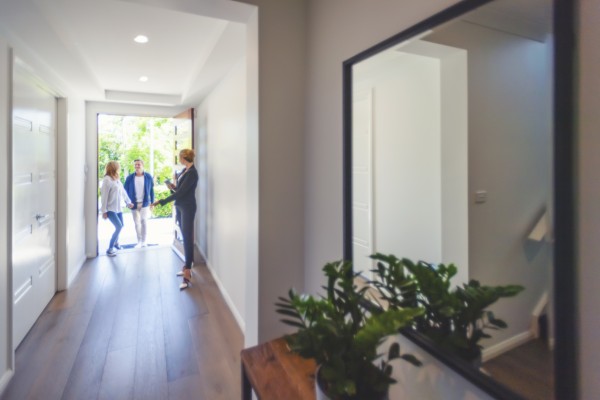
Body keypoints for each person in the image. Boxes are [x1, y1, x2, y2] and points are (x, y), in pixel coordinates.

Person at [152, 149, 198, 290]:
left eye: (180, 157)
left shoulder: (192, 173)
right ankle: (186, 265)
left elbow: (182, 193)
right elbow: (179, 190)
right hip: (180, 207)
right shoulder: (185, 171)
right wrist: (172, 186)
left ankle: (187, 274)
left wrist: (161, 201)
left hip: (187, 208)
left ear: (185, 157)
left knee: (188, 239)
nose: (179, 159)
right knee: (185, 237)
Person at [100, 161, 133, 256]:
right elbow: (104, 196)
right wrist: (104, 211)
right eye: (118, 167)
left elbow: (123, 192)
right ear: (114, 168)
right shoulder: (107, 180)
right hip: (110, 209)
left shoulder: (116, 179)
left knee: (121, 225)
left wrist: (128, 202)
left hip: (118, 208)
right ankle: (110, 248)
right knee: (119, 227)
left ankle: (116, 243)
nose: (119, 168)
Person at [124, 159, 155, 248]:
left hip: (144, 203)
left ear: (142, 165)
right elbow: (124, 191)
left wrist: (152, 202)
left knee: (143, 221)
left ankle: (144, 241)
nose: (136, 166)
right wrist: (127, 202)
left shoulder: (148, 176)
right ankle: (139, 241)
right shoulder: (130, 178)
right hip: (133, 203)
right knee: (137, 223)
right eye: (135, 165)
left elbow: (151, 190)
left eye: (138, 164)